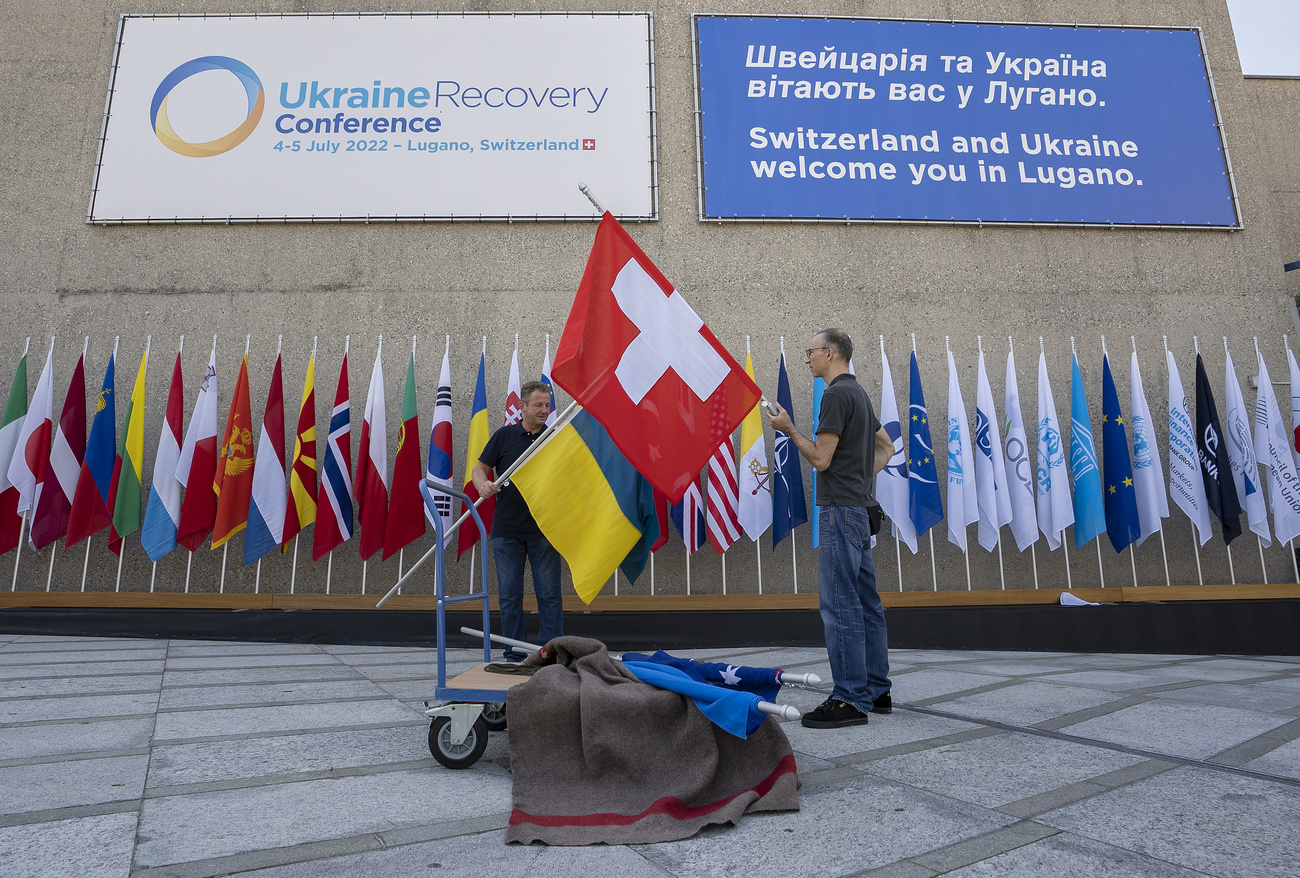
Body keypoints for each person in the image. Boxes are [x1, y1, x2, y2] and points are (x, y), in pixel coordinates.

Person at [766, 328, 894, 728]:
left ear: (831, 353)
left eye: (811, 352)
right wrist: (858, 481)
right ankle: (876, 690)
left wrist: (788, 429)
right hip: (859, 509)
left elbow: (821, 459)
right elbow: (887, 448)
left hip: (841, 512)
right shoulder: (859, 394)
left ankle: (848, 699)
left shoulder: (836, 395)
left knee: (839, 605)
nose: (807, 359)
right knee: (866, 603)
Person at [472, 381, 563, 661]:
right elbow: (479, 468)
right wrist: (482, 485)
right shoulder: (504, 436)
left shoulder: (555, 439)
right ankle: (514, 654)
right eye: (537, 405)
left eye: (547, 405)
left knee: (549, 596)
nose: (544, 410)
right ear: (522, 407)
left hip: (544, 529)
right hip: (507, 530)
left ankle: (551, 654)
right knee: (510, 597)